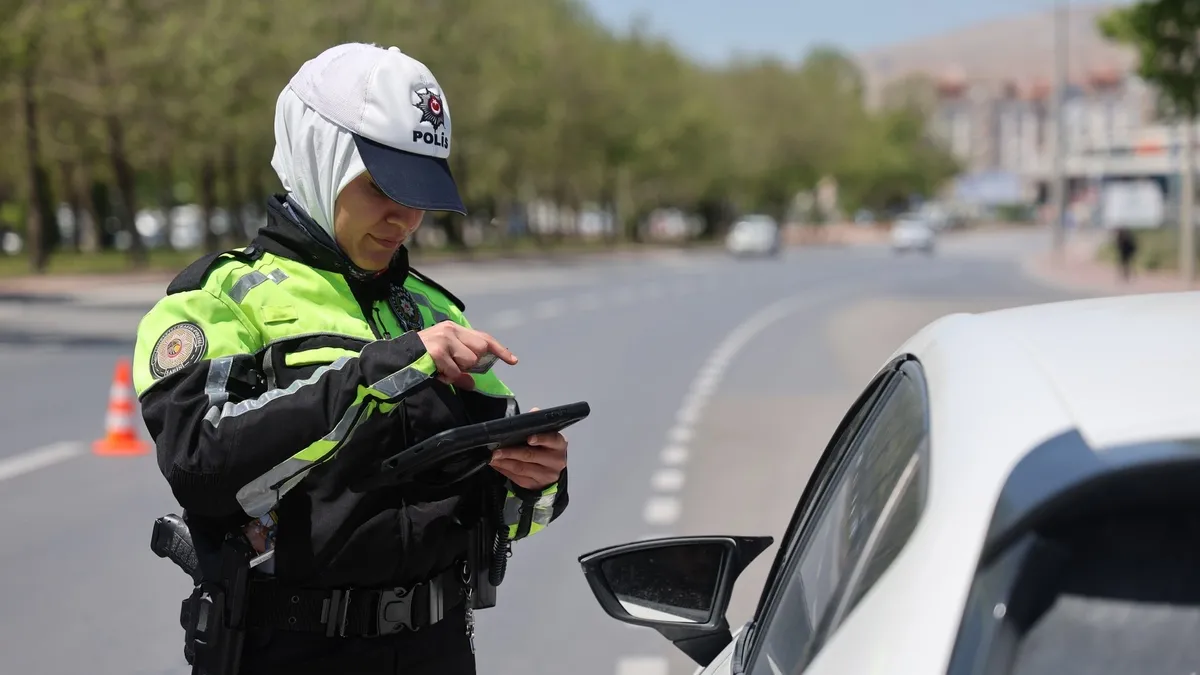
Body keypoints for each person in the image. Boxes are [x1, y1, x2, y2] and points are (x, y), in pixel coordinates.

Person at [132, 43, 570, 675]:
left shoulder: (431, 308)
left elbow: (495, 519)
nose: (408, 218)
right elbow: (202, 469)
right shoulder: (216, 302)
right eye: (383, 188)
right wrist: (376, 372)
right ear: (318, 160)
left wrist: (536, 481)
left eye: (422, 193)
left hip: (438, 648)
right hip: (291, 651)